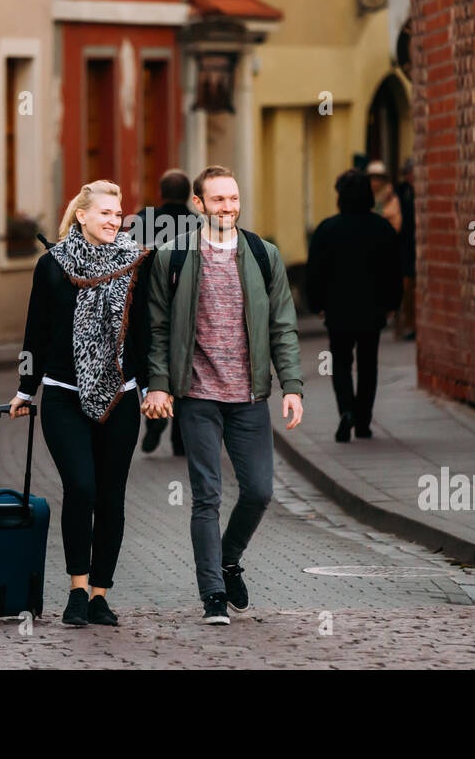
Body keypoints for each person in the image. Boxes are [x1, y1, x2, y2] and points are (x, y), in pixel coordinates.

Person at [142, 165, 304, 625]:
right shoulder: (172, 258)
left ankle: (229, 559)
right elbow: (156, 328)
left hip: (249, 396)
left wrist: (291, 386)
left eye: (233, 199)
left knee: (258, 491)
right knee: (206, 496)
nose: (228, 207)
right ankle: (212, 591)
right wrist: (158, 382)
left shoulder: (263, 254)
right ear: (198, 204)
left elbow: (283, 327)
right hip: (197, 396)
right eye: (218, 200)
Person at [7, 180, 150, 628]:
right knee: (82, 488)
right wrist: (25, 389)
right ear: (82, 216)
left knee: (111, 496)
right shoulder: (52, 266)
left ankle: (100, 595)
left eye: (118, 212)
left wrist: (152, 388)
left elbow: (145, 332)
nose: (114, 219)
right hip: (64, 395)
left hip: (121, 397)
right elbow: (35, 332)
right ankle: (77, 588)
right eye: (105, 212)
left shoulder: (136, 262)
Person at [306, 169, 402, 443]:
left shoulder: (327, 229)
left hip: (338, 309)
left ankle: (346, 410)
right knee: (368, 364)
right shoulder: (381, 228)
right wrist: (392, 303)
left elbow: (315, 272)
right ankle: (363, 421)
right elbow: (393, 271)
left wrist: (317, 304)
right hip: (372, 309)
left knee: (341, 363)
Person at [128, 170, 201, 457]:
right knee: (185, 369)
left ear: (160, 192)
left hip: (150, 308)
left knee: (155, 362)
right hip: (187, 307)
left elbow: (131, 265)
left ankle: (156, 420)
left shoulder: (145, 221)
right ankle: (181, 438)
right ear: (187, 194)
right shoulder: (197, 223)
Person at [394, 156, 416, 340]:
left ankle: (413, 324)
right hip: (404, 244)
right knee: (405, 287)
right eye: (409, 173)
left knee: (415, 288)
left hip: (417, 244)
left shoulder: (421, 190)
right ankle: (405, 325)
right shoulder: (400, 192)